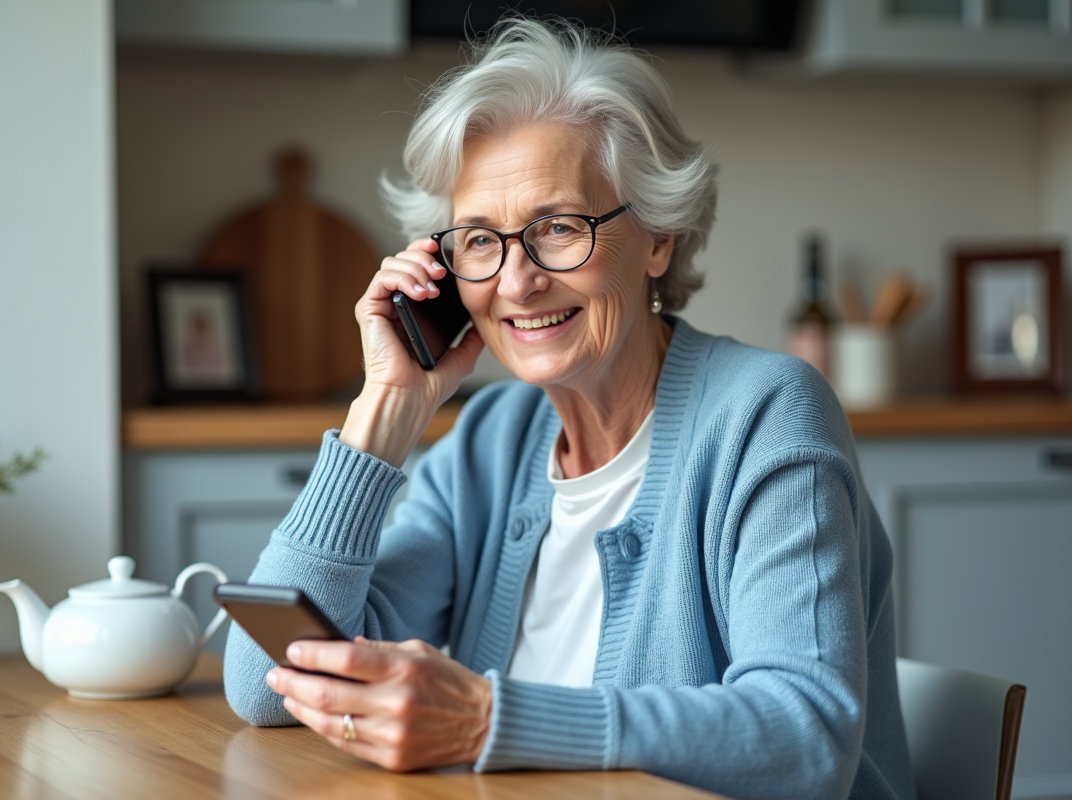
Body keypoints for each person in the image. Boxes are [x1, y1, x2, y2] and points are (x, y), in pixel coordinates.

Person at [223, 17, 915, 800]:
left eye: (558, 228)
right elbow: (265, 683)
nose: (516, 282)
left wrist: (487, 721)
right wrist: (383, 409)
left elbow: (807, 739)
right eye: (479, 241)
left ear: (658, 237)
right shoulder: (491, 441)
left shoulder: (767, 415)